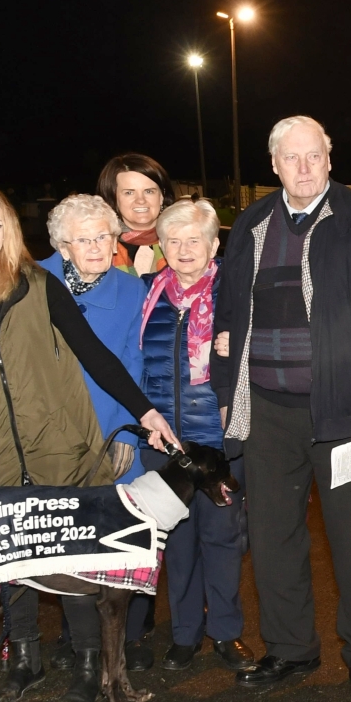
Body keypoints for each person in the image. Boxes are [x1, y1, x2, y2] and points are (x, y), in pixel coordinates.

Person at [0, 182, 177, 702]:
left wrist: (144, 412)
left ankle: (86, 667)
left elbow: (97, 355)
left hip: (58, 445)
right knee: (9, 559)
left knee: (73, 556)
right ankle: (24, 660)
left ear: (9, 229)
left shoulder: (37, 283)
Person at [211, 116, 351, 701]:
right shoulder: (250, 224)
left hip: (346, 410)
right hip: (268, 411)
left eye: (313, 156)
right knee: (273, 537)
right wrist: (228, 374)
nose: (303, 167)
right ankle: (290, 649)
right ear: (273, 165)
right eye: (290, 158)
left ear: (330, 158)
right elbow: (228, 314)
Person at [138, 199, 254, 673]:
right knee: (177, 543)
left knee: (224, 540)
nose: (184, 250)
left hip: (219, 444)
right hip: (163, 445)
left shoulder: (235, 294)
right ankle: (185, 633)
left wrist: (239, 337)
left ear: (214, 245)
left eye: (195, 240)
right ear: (161, 246)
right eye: (174, 241)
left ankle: (226, 632)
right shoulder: (147, 293)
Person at [38, 194, 152, 668]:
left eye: (103, 236)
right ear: (62, 246)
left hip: (110, 429)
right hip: (47, 432)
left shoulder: (133, 292)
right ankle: (75, 639)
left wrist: (128, 433)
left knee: (117, 536)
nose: (94, 246)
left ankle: (130, 637)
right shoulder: (32, 281)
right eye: (82, 239)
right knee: (63, 534)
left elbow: (135, 364)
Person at [98, 153, 173, 275]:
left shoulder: (185, 242)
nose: (141, 200)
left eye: (149, 191)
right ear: (114, 198)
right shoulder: (96, 246)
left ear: (161, 196)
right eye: (129, 193)